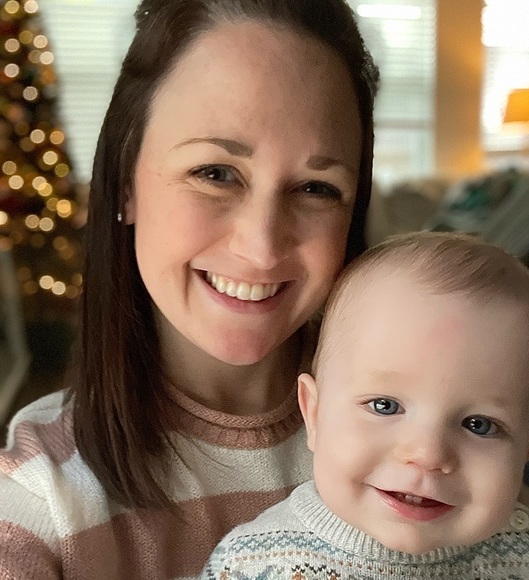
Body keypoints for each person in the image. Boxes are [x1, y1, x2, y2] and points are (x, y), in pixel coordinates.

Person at [0, 0, 379, 577]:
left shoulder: (424, 444)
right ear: (125, 180)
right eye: (215, 173)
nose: (261, 247)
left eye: (316, 188)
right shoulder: (37, 498)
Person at [202, 232, 529, 579]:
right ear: (313, 414)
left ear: (526, 453)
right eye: (385, 406)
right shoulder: (252, 565)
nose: (427, 455)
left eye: (478, 424)